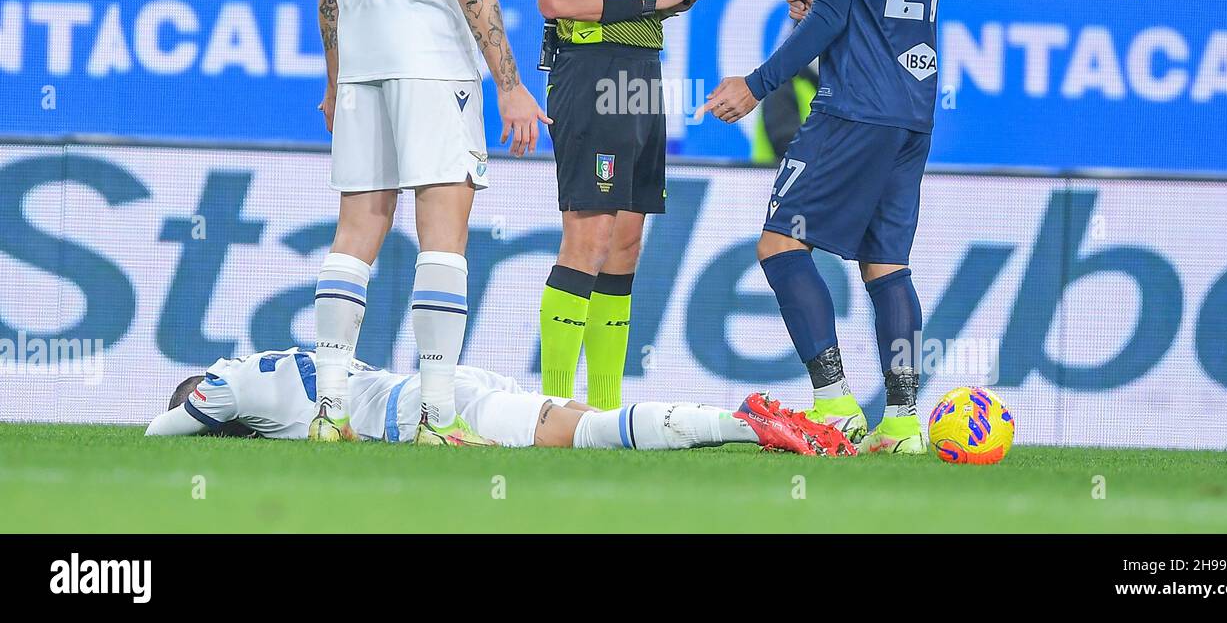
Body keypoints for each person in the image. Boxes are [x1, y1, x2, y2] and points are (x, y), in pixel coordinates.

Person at [311, 0, 547, 446]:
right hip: (433, 61)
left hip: (364, 62)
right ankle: (437, 417)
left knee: (355, 234)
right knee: (443, 237)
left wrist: (334, 77)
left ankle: (329, 412)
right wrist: (507, 80)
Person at [697, 0, 945, 455]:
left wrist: (756, 82)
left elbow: (832, 17)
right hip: (914, 107)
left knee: (780, 243)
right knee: (886, 263)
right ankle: (902, 423)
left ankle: (834, 403)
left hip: (855, 105)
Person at [533, 0, 703, 409]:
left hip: (641, 71)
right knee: (591, 234)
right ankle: (552, 407)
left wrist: (660, 3)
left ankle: (602, 412)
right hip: (593, 68)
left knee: (628, 237)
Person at [144, 347, 855, 457]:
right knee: (584, 426)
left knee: (592, 435)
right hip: (441, 388)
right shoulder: (288, 360)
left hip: (423, 410)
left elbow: (158, 431)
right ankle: (751, 416)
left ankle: (742, 423)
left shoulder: (228, 383)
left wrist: (200, 411)